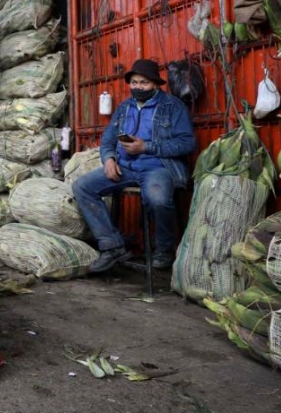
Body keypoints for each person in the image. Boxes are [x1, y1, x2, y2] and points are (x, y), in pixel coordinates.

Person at [72, 59, 196, 273]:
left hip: (158, 168)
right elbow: (108, 139)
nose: (138, 87)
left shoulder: (173, 106)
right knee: (82, 186)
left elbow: (187, 143)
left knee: (157, 197)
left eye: (144, 83)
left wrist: (146, 147)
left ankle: (164, 250)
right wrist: (109, 159)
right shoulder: (124, 108)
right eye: (134, 82)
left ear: (156, 84)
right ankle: (112, 246)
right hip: (126, 168)